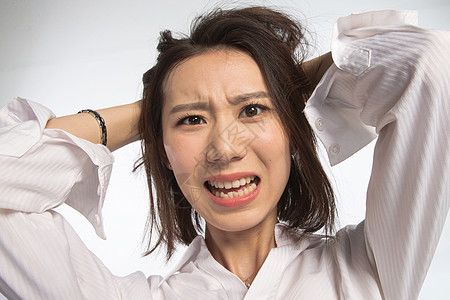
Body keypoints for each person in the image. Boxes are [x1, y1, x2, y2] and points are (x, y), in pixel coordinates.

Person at [0, 6, 449, 300]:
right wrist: (152, 110)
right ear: (164, 151)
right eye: (192, 120)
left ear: (292, 129)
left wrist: (291, 87)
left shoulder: (368, 270)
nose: (224, 148)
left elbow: (430, 63)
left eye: (253, 110)